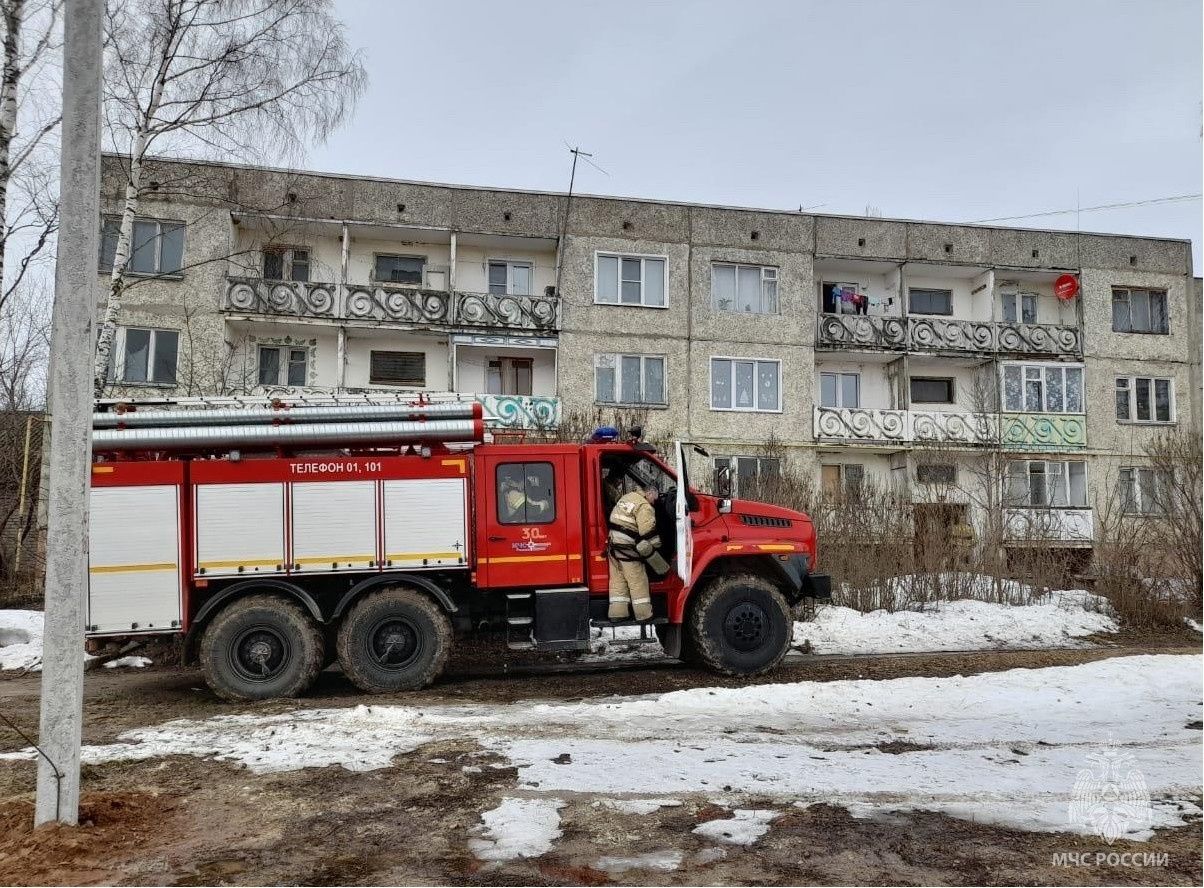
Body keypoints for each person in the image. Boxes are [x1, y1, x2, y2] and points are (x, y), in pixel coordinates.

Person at [606, 485, 669, 621]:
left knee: (618, 580)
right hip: (627, 546)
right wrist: (658, 548)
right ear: (649, 493)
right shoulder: (644, 505)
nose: (655, 502)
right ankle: (644, 614)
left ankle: (618, 613)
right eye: (655, 498)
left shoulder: (627, 497)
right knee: (637, 580)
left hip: (613, 543)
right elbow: (647, 531)